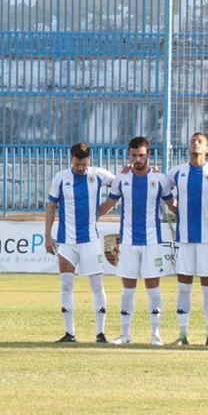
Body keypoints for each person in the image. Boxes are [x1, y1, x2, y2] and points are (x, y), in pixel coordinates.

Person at [98, 136, 176, 346]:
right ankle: (125, 334)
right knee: (128, 288)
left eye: (141, 155)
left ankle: (156, 334)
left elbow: (172, 205)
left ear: (148, 154)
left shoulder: (160, 179)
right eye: (134, 155)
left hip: (153, 242)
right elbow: (109, 204)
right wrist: (90, 216)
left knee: (153, 288)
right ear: (129, 155)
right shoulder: (122, 179)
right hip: (129, 242)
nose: (138, 159)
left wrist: (189, 213)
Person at [43, 142, 116, 344]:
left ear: (89, 160)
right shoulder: (61, 177)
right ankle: (69, 333)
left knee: (97, 285)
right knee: (66, 285)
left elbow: (120, 186)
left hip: (90, 240)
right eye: (77, 164)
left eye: (83, 164)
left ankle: (100, 333)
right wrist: (48, 236)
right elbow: (51, 207)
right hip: (66, 241)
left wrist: (103, 209)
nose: (80, 168)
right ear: (71, 160)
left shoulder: (98, 175)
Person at [165, 131, 208, 345]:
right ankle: (182, 335)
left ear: (207, 148)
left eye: (200, 141)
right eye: (193, 141)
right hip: (184, 239)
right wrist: (174, 207)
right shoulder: (177, 172)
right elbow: (162, 188)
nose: (195, 143)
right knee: (184, 286)